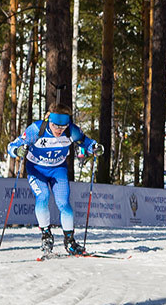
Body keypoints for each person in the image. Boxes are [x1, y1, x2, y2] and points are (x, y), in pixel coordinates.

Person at [6, 106, 100, 256]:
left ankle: (70, 241)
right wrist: (17, 151)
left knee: (64, 203)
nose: (59, 130)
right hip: (36, 169)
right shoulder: (36, 129)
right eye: (55, 126)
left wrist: (94, 147)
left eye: (62, 126)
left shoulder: (71, 130)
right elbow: (12, 146)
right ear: (49, 120)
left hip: (58, 170)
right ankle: (46, 236)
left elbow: (85, 142)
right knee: (42, 197)